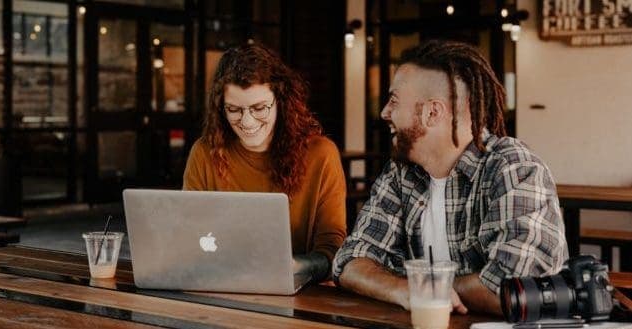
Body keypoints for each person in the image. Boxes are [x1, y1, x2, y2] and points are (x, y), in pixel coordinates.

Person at [332, 40, 568, 315]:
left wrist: (423, 288)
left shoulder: (514, 168)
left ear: (432, 112)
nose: (385, 112)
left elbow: (514, 288)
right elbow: (350, 262)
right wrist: (401, 290)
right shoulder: (401, 173)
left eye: (394, 101)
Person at [183, 43, 347, 281]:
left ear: (281, 101)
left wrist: (295, 266)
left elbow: (334, 249)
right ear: (221, 108)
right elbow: (187, 237)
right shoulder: (204, 152)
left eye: (259, 108)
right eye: (234, 110)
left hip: (302, 292)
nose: (247, 122)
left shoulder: (321, 155)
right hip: (220, 284)